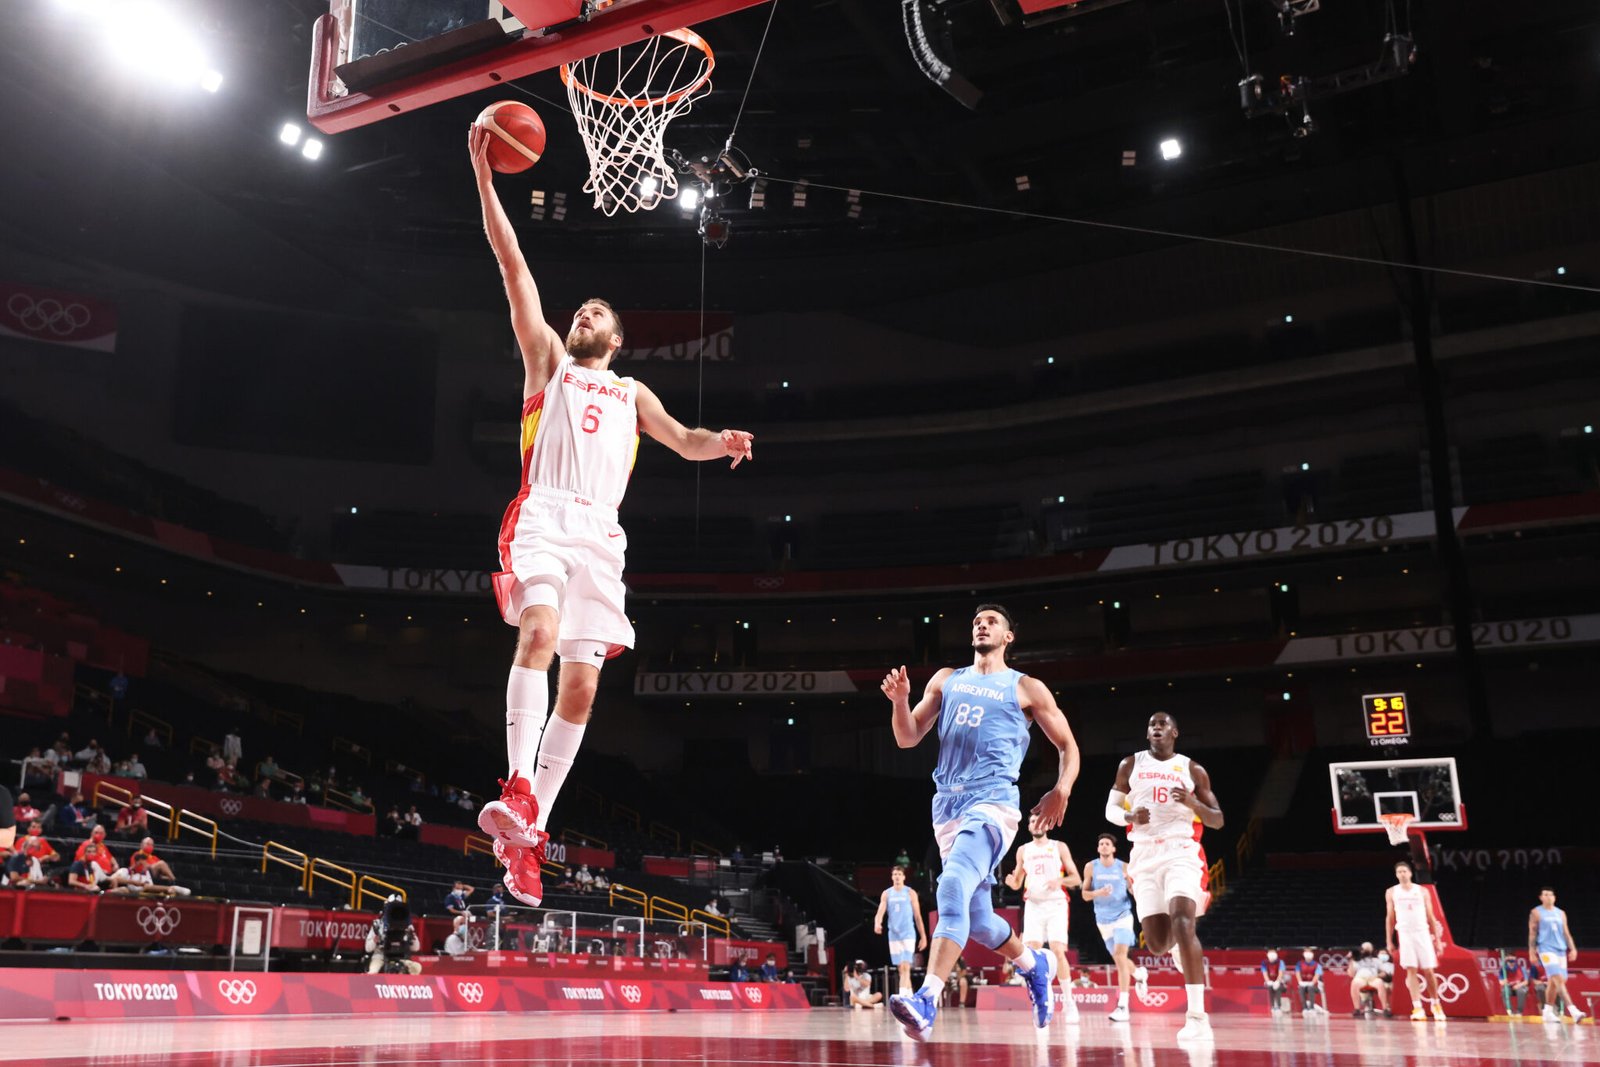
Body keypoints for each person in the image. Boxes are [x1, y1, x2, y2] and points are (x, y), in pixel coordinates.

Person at [467, 125, 755, 910]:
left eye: (598, 311)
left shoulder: (633, 393)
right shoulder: (548, 364)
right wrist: (485, 180)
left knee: (586, 691)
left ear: (618, 339)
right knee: (537, 634)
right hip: (545, 517)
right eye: (582, 308)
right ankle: (518, 783)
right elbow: (512, 267)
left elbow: (685, 439)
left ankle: (530, 835)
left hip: (602, 536)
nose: (585, 312)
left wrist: (720, 440)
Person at [880, 603, 1081, 1039]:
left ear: (1008, 637)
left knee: (950, 886)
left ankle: (927, 999)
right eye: (976, 621)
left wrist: (1061, 789)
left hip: (993, 802)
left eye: (991, 621)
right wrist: (900, 702)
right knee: (979, 919)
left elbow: (1068, 746)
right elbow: (907, 736)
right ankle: (1034, 964)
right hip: (947, 805)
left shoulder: (1026, 687)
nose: (981, 625)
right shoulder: (947, 680)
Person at [1107, 711, 1225, 1041]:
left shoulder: (1192, 769)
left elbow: (1217, 820)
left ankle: (1197, 1016)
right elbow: (1110, 810)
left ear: (1175, 731)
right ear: (1148, 734)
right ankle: (1176, 949)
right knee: (1158, 944)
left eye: (1162, 724)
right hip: (1144, 855)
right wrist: (1129, 814)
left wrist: (1191, 802)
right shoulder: (1130, 764)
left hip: (1180, 851)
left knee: (1184, 923)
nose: (1156, 728)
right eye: (1151, 725)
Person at [1004, 813, 1082, 1022]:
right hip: (1034, 905)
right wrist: (1011, 881)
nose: (1035, 824)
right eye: (1031, 822)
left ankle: (1069, 1003)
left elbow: (1076, 878)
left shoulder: (1059, 846)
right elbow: (1017, 882)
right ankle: (1041, 1001)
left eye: (1039, 821)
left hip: (1056, 903)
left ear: (1046, 825)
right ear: (1029, 827)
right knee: (1032, 954)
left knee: (1058, 950)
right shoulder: (1023, 850)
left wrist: (1061, 880)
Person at [1083, 832, 1139, 1021]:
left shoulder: (1123, 866)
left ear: (1113, 849)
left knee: (1121, 956)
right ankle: (1139, 974)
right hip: (1103, 920)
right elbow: (1084, 894)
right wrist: (1099, 892)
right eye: (1101, 844)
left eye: (1108, 843)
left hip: (1123, 915)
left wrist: (1130, 883)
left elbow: (1133, 891)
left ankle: (1123, 1006)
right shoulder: (1091, 867)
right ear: (1098, 848)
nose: (1104, 846)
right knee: (1118, 958)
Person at [1385, 859, 1447, 1022]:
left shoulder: (1422, 891)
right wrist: (1389, 940)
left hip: (1422, 933)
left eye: (1404, 871)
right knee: (1411, 970)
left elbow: (1431, 916)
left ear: (1410, 873)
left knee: (1428, 970)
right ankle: (1417, 1007)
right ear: (1396, 875)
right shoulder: (1392, 892)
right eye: (1399, 872)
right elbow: (1390, 917)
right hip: (1405, 934)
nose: (1402, 874)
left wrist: (1438, 941)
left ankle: (1436, 1004)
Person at [1531, 886, 1584, 1023]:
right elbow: (1532, 933)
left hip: (1560, 949)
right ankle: (1573, 1011)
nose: (1548, 896)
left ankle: (1547, 1012)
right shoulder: (1536, 912)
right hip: (1545, 948)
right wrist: (1532, 951)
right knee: (1558, 979)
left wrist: (1572, 948)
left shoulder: (1561, 913)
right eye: (1545, 894)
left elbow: (1566, 932)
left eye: (1550, 894)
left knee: (1555, 983)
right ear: (1541, 897)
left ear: (1554, 897)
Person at [873, 864, 927, 995]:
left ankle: (902, 997)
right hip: (894, 934)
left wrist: (923, 936)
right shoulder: (887, 894)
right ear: (892, 877)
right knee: (901, 969)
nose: (897, 877)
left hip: (908, 933)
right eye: (894, 874)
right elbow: (880, 911)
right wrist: (877, 923)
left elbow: (918, 916)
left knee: (905, 966)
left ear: (903, 877)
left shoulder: (910, 893)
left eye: (899, 874)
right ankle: (910, 996)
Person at [366, 896, 422, 974]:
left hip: (401, 956)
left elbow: (416, 948)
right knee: (373, 972)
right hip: (380, 955)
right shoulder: (378, 924)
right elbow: (368, 948)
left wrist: (412, 936)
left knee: (416, 968)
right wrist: (374, 940)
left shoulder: (408, 926)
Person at [1347, 942, 1391, 1017]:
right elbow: (1351, 974)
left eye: (1368, 949)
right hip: (1361, 979)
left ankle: (1385, 1009)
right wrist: (1350, 960)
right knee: (1354, 982)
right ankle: (1357, 1009)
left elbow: (1384, 973)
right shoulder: (1356, 961)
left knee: (1380, 983)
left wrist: (1378, 976)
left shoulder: (1376, 960)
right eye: (1365, 949)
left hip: (1373, 979)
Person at [1294, 948, 1326, 1015]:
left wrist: (1312, 983)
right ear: (1303, 954)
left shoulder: (1317, 965)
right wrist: (1300, 982)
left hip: (1315, 987)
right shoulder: (1299, 964)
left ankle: (1311, 1008)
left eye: (1310, 952)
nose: (1308, 954)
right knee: (1301, 988)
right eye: (1306, 952)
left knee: (1310, 988)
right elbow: (1297, 973)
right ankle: (1305, 1008)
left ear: (1312, 954)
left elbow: (1316, 976)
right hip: (1303, 985)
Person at [1501, 952, 1533, 1017]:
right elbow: (1501, 982)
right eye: (1509, 961)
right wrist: (1505, 982)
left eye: (1512, 961)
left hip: (1520, 986)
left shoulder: (1521, 968)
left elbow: (1526, 981)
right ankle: (1510, 1010)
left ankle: (1519, 1012)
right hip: (1510, 987)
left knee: (1521, 991)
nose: (1511, 963)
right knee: (1504, 991)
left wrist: (1518, 985)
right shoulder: (1503, 969)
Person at [1260, 949, 1289, 1015]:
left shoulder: (1280, 962)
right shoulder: (1264, 962)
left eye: (1273, 952)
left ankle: (1278, 1007)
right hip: (1270, 982)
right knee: (1270, 987)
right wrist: (1268, 981)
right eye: (1270, 953)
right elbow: (1265, 974)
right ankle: (1272, 1007)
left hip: (1280, 983)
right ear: (1267, 954)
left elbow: (1280, 973)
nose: (1272, 954)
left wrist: (1277, 981)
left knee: (1278, 988)